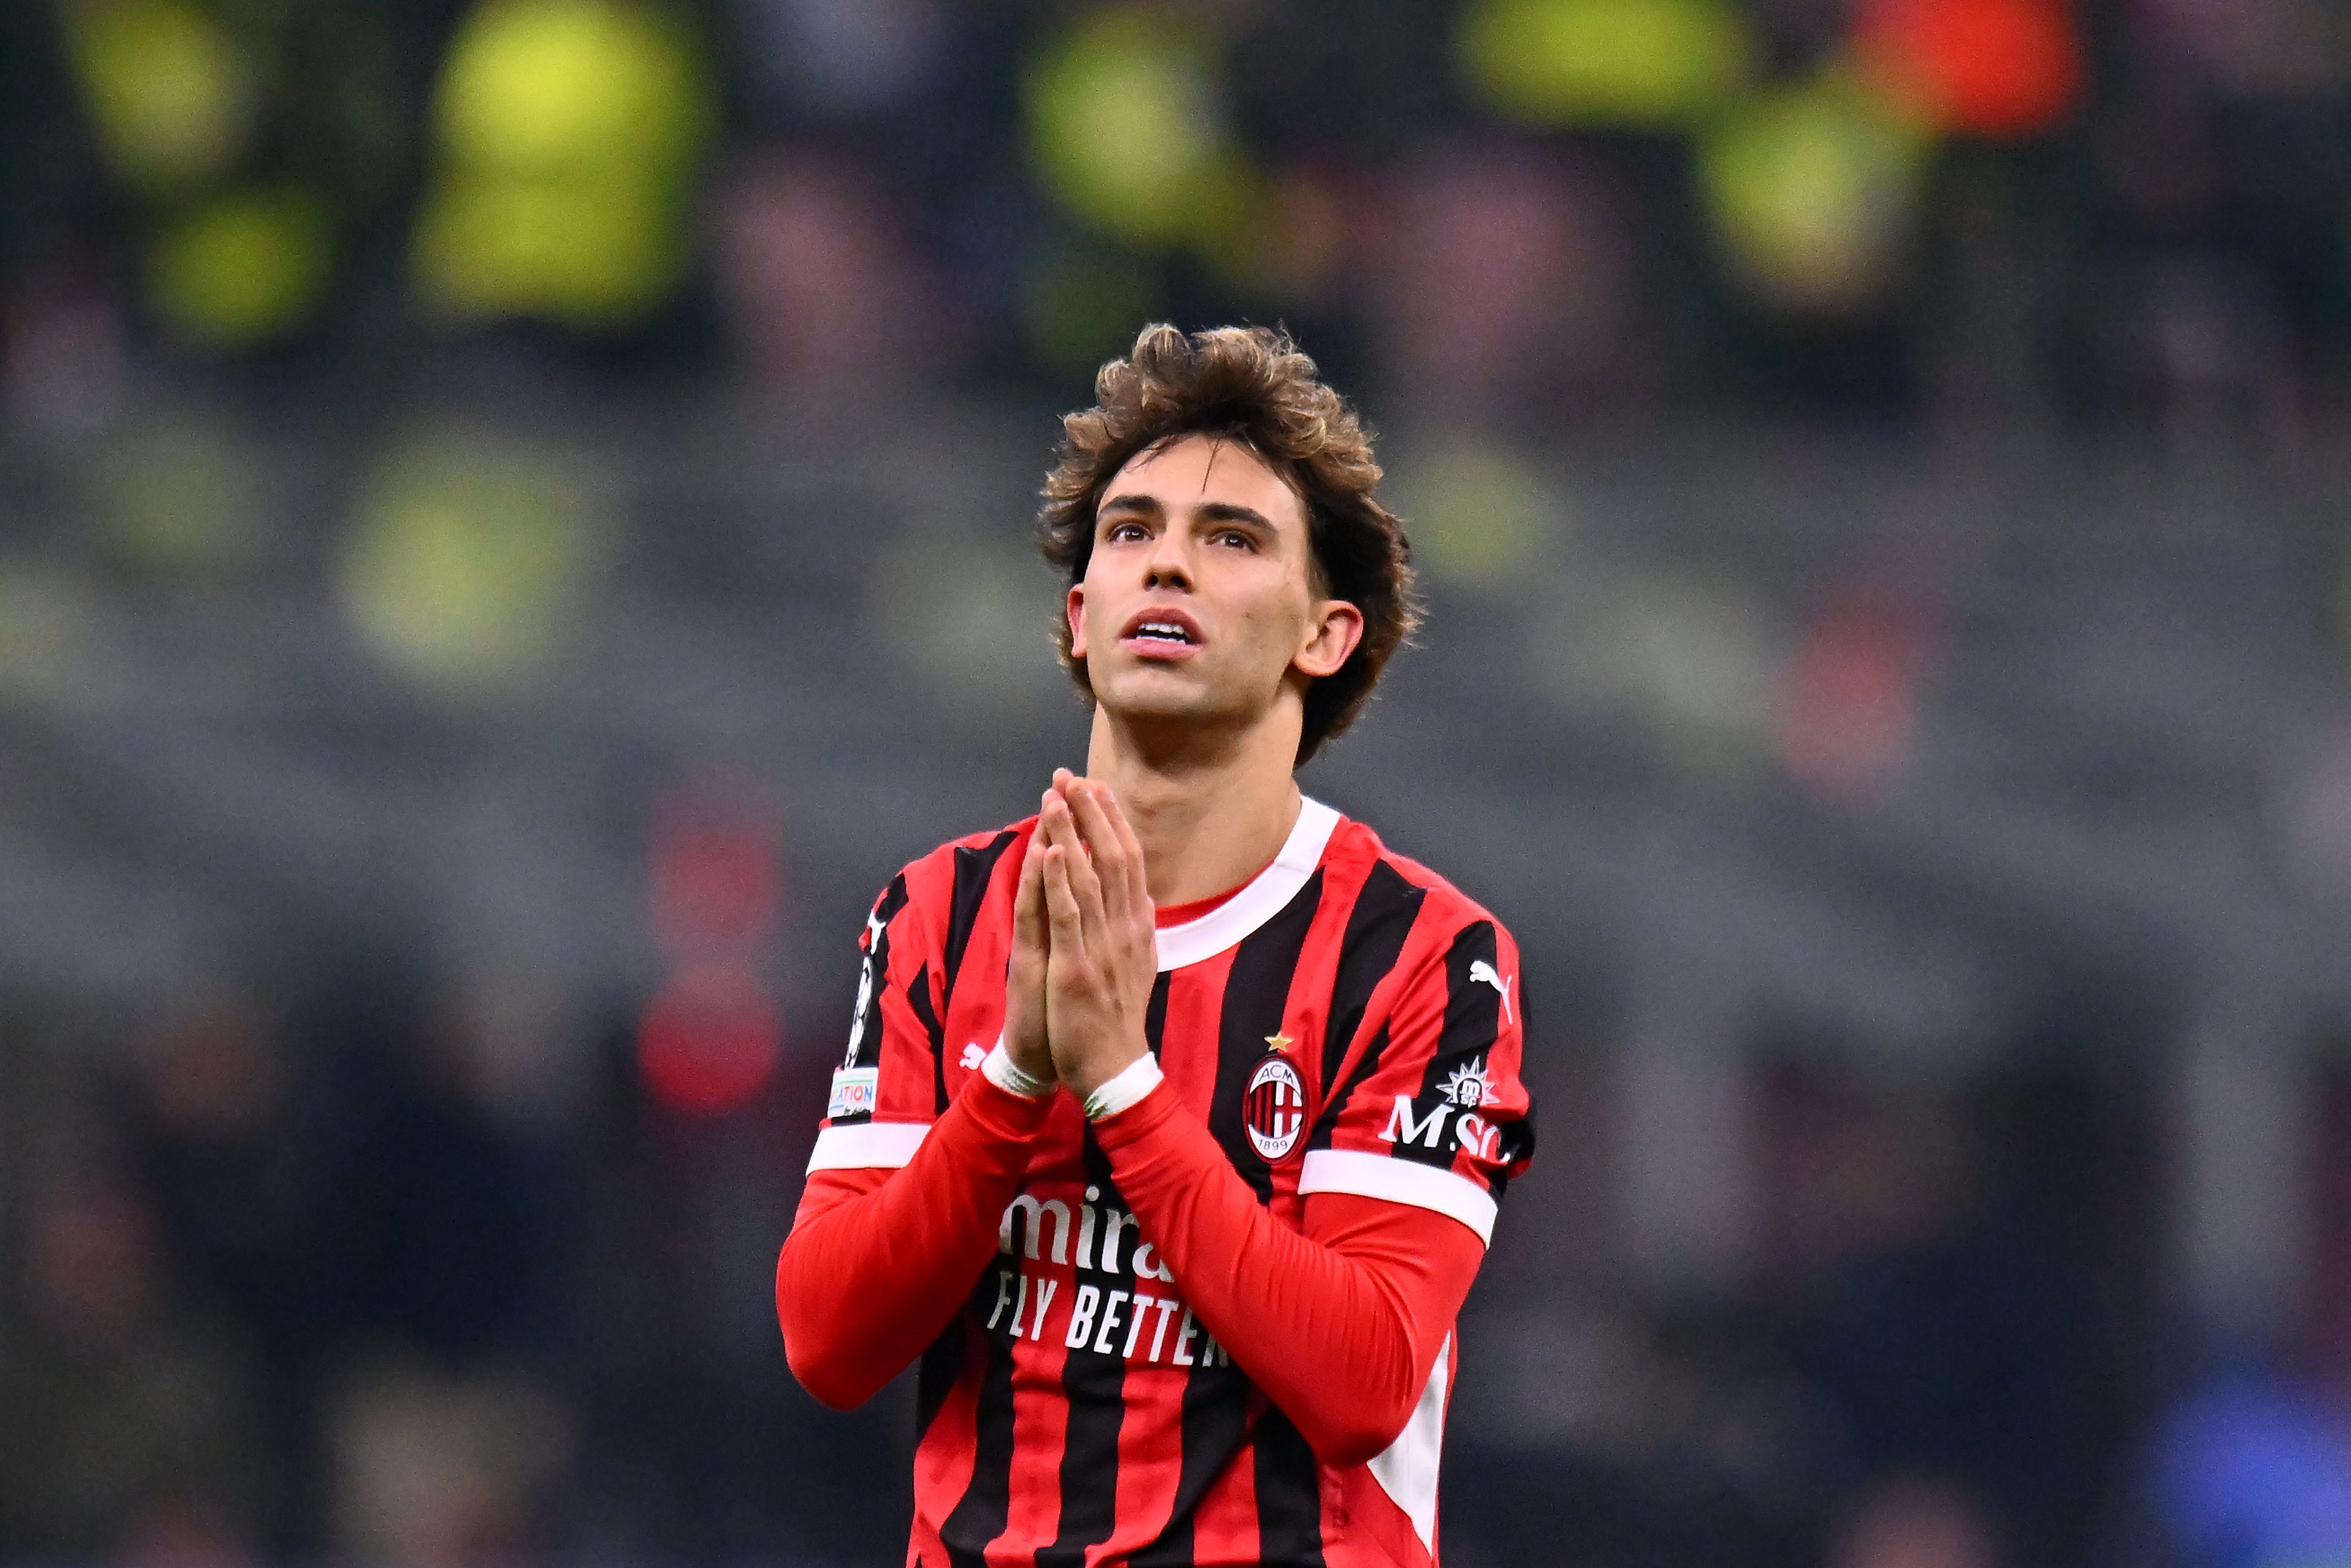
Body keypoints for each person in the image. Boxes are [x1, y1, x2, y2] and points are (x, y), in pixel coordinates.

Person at [774, 323, 1535, 1566]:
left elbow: (1363, 1382)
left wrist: (1122, 1086)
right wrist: (1017, 1078)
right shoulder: (938, 915)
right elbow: (828, 1340)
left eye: (1231, 539)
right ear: (1081, 619)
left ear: (1326, 635)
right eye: (1132, 534)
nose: (1166, 565)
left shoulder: (1425, 956)